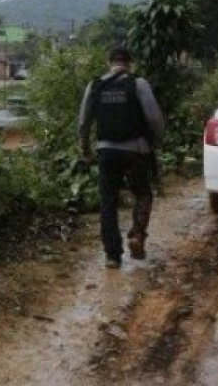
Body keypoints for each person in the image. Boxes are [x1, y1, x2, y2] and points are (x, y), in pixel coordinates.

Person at [77, 46, 165, 269]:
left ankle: (112, 256)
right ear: (129, 63)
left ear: (110, 63)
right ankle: (137, 234)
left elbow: (83, 123)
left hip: (106, 151)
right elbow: (155, 120)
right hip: (136, 151)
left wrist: (85, 148)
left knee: (108, 201)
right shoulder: (138, 83)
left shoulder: (95, 85)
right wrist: (154, 144)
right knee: (143, 193)